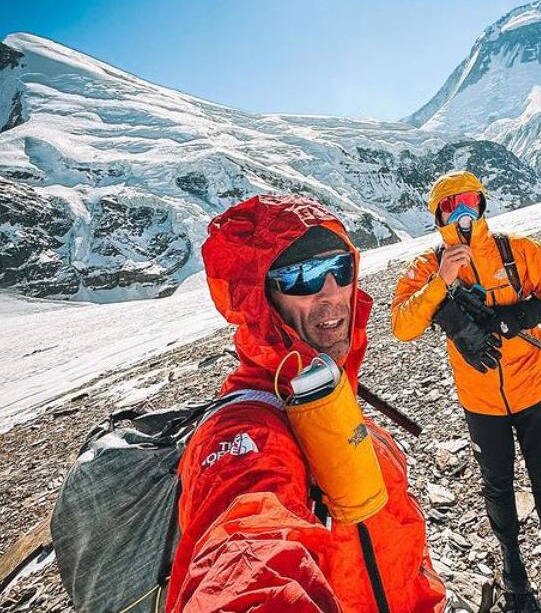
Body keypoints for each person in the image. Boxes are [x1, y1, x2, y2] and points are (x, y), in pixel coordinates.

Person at [165, 194, 447, 613]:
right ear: (262, 299)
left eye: (340, 269)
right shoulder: (245, 434)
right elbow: (246, 554)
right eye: (303, 277)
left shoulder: (330, 399)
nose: (331, 293)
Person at [391, 172, 541, 613]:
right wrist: (441, 283)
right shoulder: (426, 267)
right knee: (497, 484)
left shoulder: (517, 251)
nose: (463, 214)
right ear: (438, 215)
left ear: (483, 205)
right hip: (481, 404)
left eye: (470, 201)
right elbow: (402, 326)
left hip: (533, 391)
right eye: (451, 206)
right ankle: (513, 566)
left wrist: (526, 311)